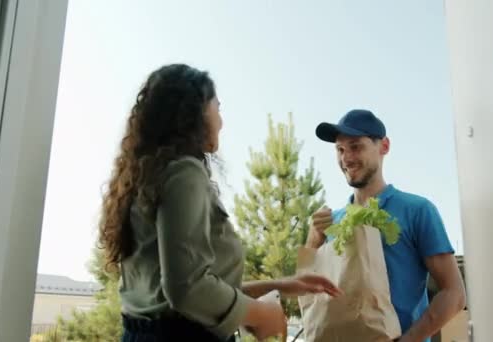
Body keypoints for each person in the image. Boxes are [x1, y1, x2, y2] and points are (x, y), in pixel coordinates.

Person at [98, 64, 341, 342]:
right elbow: (187, 290)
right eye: (218, 107)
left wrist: (281, 284)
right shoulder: (184, 173)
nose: (222, 122)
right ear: (195, 112)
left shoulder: (148, 178)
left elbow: (184, 291)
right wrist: (263, 315)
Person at [305, 109, 466, 342]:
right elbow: (307, 294)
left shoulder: (417, 210)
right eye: (340, 150)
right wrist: (313, 240)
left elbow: (454, 294)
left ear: (384, 147)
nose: (346, 158)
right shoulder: (331, 222)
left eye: (355, 146)